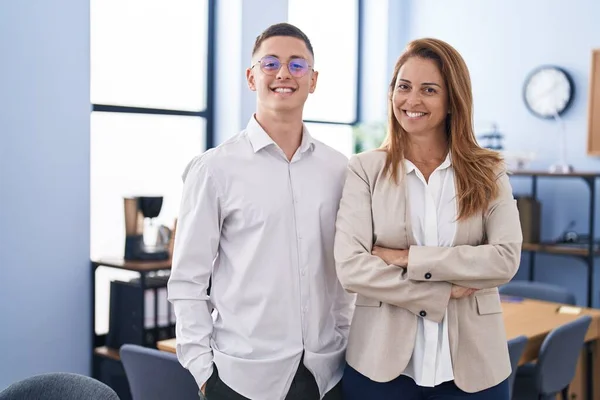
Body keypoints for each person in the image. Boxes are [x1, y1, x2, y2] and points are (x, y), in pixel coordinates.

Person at [167, 23, 353, 400]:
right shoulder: (214, 169)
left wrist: (345, 337)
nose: (284, 73)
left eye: (297, 65)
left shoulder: (339, 169)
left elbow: (343, 271)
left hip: (326, 374)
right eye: (270, 63)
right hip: (240, 379)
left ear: (313, 80)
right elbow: (187, 280)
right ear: (252, 77)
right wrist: (204, 372)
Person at [333, 38, 523, 400]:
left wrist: (407, 258)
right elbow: (351, 267)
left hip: (475, 369)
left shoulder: (489, 171)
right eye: (403, 87)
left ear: (453, 101)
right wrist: (441, 290)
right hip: (381, 367)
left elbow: (504, 259)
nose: (412, 100)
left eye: (429, 90)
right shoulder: (364, 170)